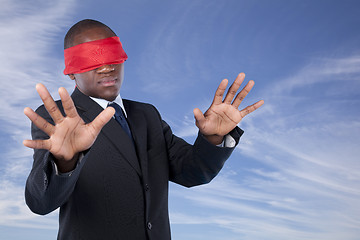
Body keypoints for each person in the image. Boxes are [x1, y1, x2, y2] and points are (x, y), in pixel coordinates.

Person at [23, 19, 264, 240]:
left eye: (112, 56)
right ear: (71, 72)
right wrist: (64, 161)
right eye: (92, 58)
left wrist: (213, 137)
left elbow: (194, 173)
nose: (106, 67)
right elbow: (40, 202)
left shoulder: (147, 115)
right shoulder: (58, 118)